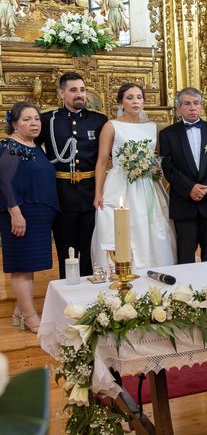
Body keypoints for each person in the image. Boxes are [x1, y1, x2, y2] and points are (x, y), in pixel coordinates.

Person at [91, 83, 176, 271]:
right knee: (121, 225)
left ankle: (157, 267)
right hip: (119, 183)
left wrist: (151, 170)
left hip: (147, 185)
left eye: (139, 97)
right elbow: (103, 160)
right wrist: (98, 192)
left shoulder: (153, 127)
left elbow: (157, 159)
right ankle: (120, 270)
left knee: (155, 226)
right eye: (129, 97)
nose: (135, 101)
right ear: (121, 102)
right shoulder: (111, 126)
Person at [37, 72, 108, 278]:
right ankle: (68, 292)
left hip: (91, 192)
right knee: (66, 248)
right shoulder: (47, 120)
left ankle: (89, 294)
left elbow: (107, 155)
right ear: (62, 93)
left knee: (89, 248)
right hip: (61, 193)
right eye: (73, 90)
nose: (80, 94)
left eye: (82, 90)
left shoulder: (99, 120)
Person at [0, 102, 59, 333]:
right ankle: (30, 317)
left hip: (38, 215)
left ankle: (20, 310)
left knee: (29, 266)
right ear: (14, 124)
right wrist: (15, 214)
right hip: (20, 214)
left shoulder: (35, 147)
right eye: (26, 119)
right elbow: (4, 184)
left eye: (36, 119)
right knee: (22, 268)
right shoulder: (9, 146)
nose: (34, 123)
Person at [159, 87, 207, 264]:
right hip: (184, 203)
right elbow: (168, 166)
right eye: (187, 103)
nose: (192, 107)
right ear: (179, 108)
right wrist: (189, 188)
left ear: (201, 106)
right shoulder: (168, 134)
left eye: (196, 103)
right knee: (185, 254)